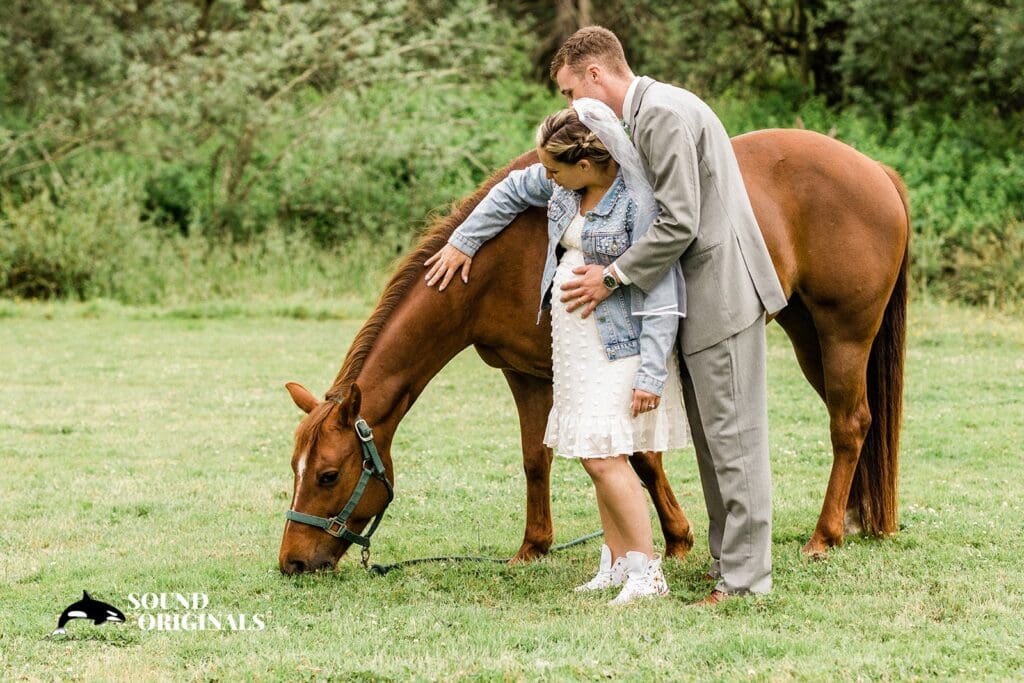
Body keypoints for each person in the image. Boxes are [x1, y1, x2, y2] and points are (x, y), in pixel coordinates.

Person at [548, 27, 789, 605]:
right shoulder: (650, 113)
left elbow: (679, 221)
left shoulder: (659, 115)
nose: (571, 106)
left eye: (570, 91)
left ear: (595, 74)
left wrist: (611, 276)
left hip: (720, 293)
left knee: (734, 443)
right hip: (702, 296)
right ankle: (727, 563)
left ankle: (746, 581)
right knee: (714, 442)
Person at [424, 100, 689, 605]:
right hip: (576, 345)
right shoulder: (567, 187)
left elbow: (661, 293)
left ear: (585, 164)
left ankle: (648, 571)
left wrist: (651, 375)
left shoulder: (637, 203)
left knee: (605, 457)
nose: (545, 177)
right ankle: (616, 560)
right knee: (593, 452)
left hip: (621, 347)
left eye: (553, 170)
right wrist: (464, 241)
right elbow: (509, 190)